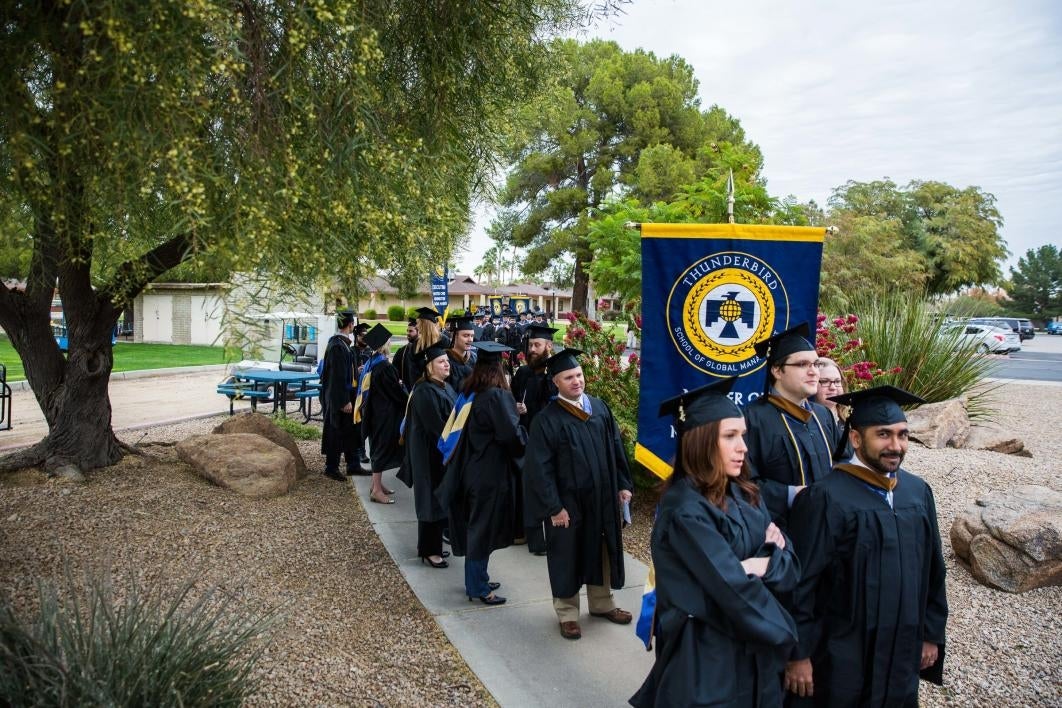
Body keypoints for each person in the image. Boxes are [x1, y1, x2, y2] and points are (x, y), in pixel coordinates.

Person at [630, 377, 800, 707]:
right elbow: (732, 590)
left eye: (743, 436)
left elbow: (791, 562)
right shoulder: (685, 511)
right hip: (707, 663)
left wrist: (758, 562)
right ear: (701, 441)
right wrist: (789, 633)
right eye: (730, 436)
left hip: (754, 660)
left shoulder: (746, 492)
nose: (744, 447)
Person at [785, 385, 948, 707]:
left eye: (902, 435)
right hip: (841, 652)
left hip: (902, 646)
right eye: (883, 435)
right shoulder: (826, 497)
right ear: (857, 439)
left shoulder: (917, 492)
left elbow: (933, 569)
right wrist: (798, 654)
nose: (896, 446)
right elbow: (800, 583)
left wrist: (931, 634)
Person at [524, 348, 633, 640]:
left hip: (602, 498)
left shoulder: (599, 409)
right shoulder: (546, 420)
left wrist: (623, 485)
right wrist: (553, 507)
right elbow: (539, 470)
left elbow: (616, 450)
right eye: (569, 377)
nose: (577, 381)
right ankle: (567, 614)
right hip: (567, 505)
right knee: (566, 555)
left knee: (601, 551)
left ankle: (602, 604)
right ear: (556, 382)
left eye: (579, 375)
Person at [436, 341, 525, 606]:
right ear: (498, 368)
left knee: (478, 527)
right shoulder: (497, 396)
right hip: (488, 473)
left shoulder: (470, 391)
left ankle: (479, 577)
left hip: (471, 468)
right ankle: (477, 587)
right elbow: (511, 435)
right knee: (481, 530)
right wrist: (522, 426)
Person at [743, 323, 837, 529]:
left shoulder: (823, 416)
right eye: (803, 364)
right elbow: (742, 483)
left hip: (831, 529)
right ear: (777, 370)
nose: (814, 372)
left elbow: (843, 463)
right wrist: (790, 495)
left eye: (816, 364)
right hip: (781, 533)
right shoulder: (751, 419)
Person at [400, 344, 456, 568]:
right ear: (429, 366)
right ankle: (428, 551)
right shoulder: (424, 391)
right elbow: (436, 427)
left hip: (441, 453)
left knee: (440, 499)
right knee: (429, 502)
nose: (446, 364)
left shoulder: (444, 387)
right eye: (441, 362)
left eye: (447, 361)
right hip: (428, 454)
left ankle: (436, 547)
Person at [510, 324, 558, 555]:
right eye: (530, 345)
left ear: (549, 346)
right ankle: (530, 537)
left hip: (548, 441)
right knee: (527, 488)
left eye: (537, 345)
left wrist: (533, 410)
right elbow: (511, 397)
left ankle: (548, 538)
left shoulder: (554, 376)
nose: (532, 350)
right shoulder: (523, 373)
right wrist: (516, 407)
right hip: (524, 438)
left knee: (546, 488)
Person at [354, 324, 405, 504]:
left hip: (373, 413)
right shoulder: (384, 366)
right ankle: (376, 489)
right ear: (385, 344)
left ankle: (376, 485)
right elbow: (396, 392)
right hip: (384, 415)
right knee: (381, 450)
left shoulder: (370, 362)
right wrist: (407, 395)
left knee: (376, 447)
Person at [319, 311, 360, 481]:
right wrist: (344, 401)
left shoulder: (341, 344)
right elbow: (336, 376)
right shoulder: (337, 346)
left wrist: (354, 372)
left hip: (343, 394)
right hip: (337, 398)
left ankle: (353, 465)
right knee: (335, 431)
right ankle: (331, 467)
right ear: (350, 325)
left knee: (348, 431)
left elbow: (343, 371)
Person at [814, 357, 849, 454]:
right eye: (825, 381)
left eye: (837, 381)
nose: (833, 387)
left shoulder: (851, 419)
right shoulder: (808, 423)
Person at [410, 307, 447, 384]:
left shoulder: (444, 341)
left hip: (441, 383)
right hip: (422, 385)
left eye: (418, 323)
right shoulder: (417, 343)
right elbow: (413, 368)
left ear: (425, 325)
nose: (416, 326)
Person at [445, 316, 476, 393]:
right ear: (454, 336)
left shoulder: (474, 358)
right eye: (466, 336)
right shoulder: (446, 360)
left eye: (472, 336)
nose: (470, 340)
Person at [391, 318, 420, 391]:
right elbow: (394, 370)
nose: (407, 333)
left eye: (411, 331)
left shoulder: (423, 350)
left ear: (418, 332)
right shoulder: (402, 351)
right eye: (407, 331)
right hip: (406, 390)